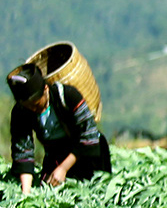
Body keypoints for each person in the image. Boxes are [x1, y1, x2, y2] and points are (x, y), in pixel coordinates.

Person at [6, 64, 111, 192]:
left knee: (94, 191)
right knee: (48, 188)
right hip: (56, 155)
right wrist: (25, 192)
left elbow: (89, 136)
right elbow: (23, 152)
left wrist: (63, 168)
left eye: (36, 104)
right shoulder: (20, 112)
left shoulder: (68, 95)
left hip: (87, 155)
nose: (34, 109)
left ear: (45, 89)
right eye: (29, 106)